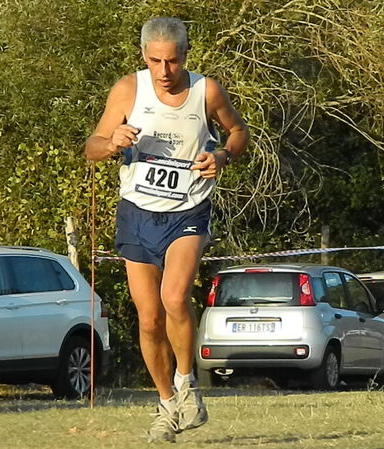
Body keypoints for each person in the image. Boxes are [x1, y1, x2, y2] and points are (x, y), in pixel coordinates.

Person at [85, 17, 249, 443]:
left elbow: (237, 130)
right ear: (144, 56)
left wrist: (224, 157)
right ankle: (166, 406)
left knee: (175, 297)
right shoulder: (128, 90)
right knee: (149, 317)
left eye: (172, 61)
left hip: (187, 211)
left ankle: (186, 382)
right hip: (137, 213)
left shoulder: (205, 90)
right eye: (156, 61)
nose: (164, 72)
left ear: (185, 57)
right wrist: (112, 142)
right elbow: (92, 147)